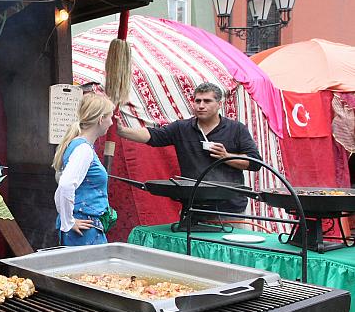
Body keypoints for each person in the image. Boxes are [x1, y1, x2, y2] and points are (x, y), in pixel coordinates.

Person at [115, 82, 262, 213]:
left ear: (219, 104)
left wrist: (226, 157)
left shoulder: (236, 129)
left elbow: (255, 163)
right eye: (197, 101)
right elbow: (152, 136)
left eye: (207, 101)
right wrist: (122, 131)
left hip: (230, 209)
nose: (201, 105)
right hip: (193, 207)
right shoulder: (182, 128)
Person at [52, 93, 115, 246]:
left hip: (83, 227)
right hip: (85, 228)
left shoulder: (77, 144)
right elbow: (65, 185)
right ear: (101, 119)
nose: (112, 123)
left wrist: (66, 218)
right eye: (110, 117)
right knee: (92, 271)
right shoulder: (83, 150)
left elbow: (62, 187)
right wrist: (68, 222)